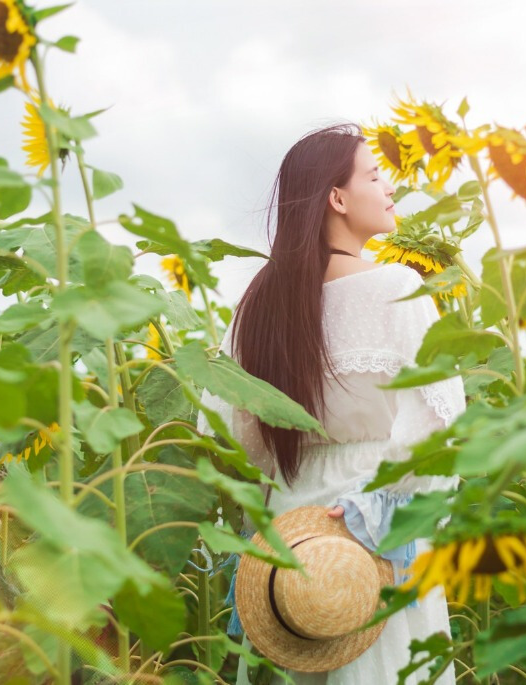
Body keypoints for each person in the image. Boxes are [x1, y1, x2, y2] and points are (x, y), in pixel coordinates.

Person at [196, 122, 466, 684]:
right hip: (375, 522)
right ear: (337, 199)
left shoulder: (259, 305)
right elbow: (439, 424)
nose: (389, 187)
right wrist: (382, 504)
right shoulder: (396, 286)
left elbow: (222, 423)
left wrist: (281, 506)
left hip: (296, 537)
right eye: (374, 174)